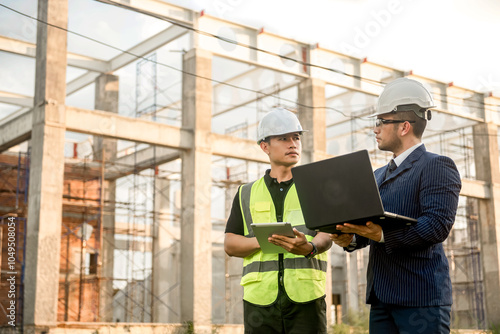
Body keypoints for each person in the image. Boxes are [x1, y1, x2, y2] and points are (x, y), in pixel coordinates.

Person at [331, 78, 462, 333]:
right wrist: (351, 239)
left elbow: (436, 226)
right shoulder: (378, 174)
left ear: (404, 127)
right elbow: (373, 226)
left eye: (381, 121)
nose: (375, 128)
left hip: (420, 299)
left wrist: (381, 235)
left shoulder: (437, 166)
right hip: (381, 298)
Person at [224, 107, 332, 334]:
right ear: (265, 146)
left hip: (307, 298)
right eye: (283, 138)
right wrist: (265, 241)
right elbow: (230, 244)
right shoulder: (246, 193)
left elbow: (327, 234)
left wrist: (309, 247)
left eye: (296, 138)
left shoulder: (316, 188)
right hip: (259, 301)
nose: (293, 144)